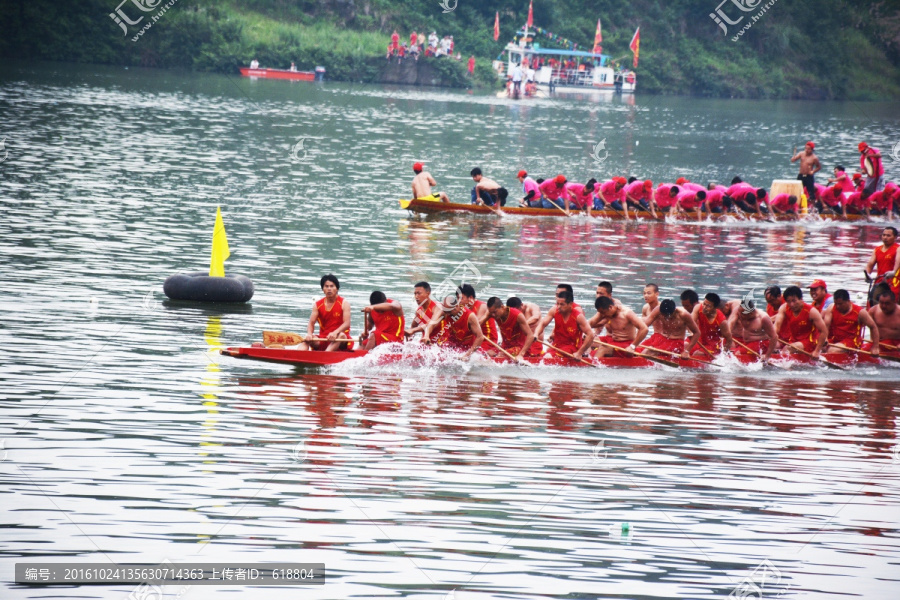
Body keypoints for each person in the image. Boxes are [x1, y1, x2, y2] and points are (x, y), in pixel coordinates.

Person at [534, 289, 595, 360]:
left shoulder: (578, 317)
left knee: (547, 358)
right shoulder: (554, 311)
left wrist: (579, 353)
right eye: (558, 304)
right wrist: (536, 334)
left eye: (562, 304)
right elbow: (543, 324)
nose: (559, 307)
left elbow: (591, 335)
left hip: (571, 348)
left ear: (570, 304)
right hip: (556, 345)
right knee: (542, 357)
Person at [299, 274, 353, 351]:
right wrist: (309, 334)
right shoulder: (318, 305)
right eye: (326, 286)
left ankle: (326, 355)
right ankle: (298, 355)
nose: (329, 289)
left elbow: (347, 323)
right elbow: (311, 323)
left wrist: (335, 332)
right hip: (324, 338)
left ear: (337, 288)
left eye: (332, 286)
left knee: (341, 335)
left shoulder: (344, 303)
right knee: (307, 339)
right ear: (323, 289)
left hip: (340, 339)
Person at [423, 295, 484, 360]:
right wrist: (426, 335)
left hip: (466, 348)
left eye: (449, 312)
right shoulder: (444, 312)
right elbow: (432, 324)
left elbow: (480, 337)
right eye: (446, 312)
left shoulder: (470, 316)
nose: (447, 315)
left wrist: (467, 355)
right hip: (451, 345)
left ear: (457, 306)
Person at [773, 286, 828, 358]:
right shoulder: (784, 308)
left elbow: (824, 331)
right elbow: (776, 326)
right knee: (772, 345)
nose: (791, 304)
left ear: (801, 299)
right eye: (788, 301)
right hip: (793, 341)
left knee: (788, 348)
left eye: (794, 301)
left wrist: (817, 351)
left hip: (810, 342)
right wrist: (772, 338)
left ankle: (781, 360)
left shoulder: (811, 312)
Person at [824, 289, 879, 354]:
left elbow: (873, 327)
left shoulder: (860, 312)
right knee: (816, 346)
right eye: (836, 304)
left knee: (832, 350)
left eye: (840, 304)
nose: (838, 306)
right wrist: (825, 339)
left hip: (852, 341)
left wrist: (875, 347)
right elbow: (825, 326)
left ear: (848, 301)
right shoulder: (831, 307)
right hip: (836, 339)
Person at [727, 293, 778, 362]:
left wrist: (767, 356)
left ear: (751, 313)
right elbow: (730, 323)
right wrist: (729, 338)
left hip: (762, 343)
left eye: (742, 314)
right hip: (746, 343)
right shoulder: (739, 310)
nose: (739, 315)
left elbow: (774, 337)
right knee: (729, 350)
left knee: (737, 353)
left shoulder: (763, 318)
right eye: (739, 312)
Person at [458, 283, 498, 352]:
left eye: (461, 298)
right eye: (457, 298)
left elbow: (477, 324)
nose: (459, 301)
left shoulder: (482, 306)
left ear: (470, 297)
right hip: (474, 339)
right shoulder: (463, 309)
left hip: (487, 340)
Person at [865, 226, 900, 304]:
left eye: (888, 236)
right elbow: (870, 264)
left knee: (892, 304)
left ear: (895, 237)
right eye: (883, 235)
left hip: (894, 281)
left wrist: (894, 271)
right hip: (880, 281)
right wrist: (867, 275)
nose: (885, 237)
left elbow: (898, 261)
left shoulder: (898, 248)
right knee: (871, 302)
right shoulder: (877, 250)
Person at [864, 287, 900, 357]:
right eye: (881, 303)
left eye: (887, 303)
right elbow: (860, 326)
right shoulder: (873, 311)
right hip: (878, 344)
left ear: (894, 302)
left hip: (896, 346)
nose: (883, 306)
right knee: (861, 349)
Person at [764, 285, 790, 350]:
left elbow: (777, 317)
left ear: (779, 296)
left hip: (789, 339)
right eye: (768, 301)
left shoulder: (789, 303)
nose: (770, 303)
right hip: (778, 337)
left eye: (772, 300)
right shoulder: (769, 306)